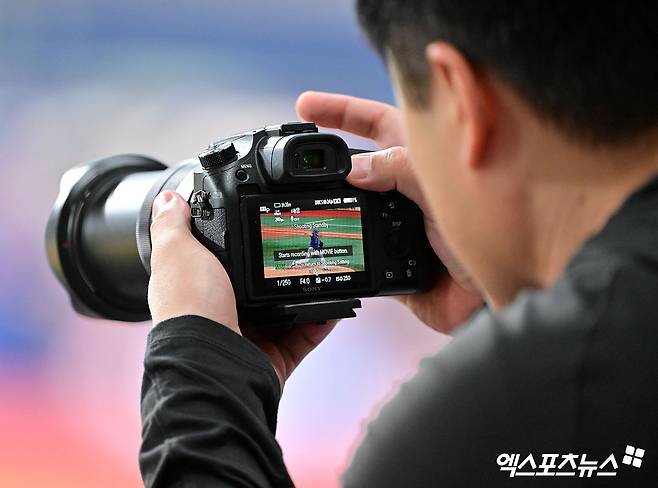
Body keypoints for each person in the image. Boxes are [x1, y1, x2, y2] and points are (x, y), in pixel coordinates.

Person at [140, 1, 658, 486]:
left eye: (416, 114)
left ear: (460, 98)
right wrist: (513, 309)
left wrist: (199, 379)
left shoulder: (480, 424)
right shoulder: (590, 366)